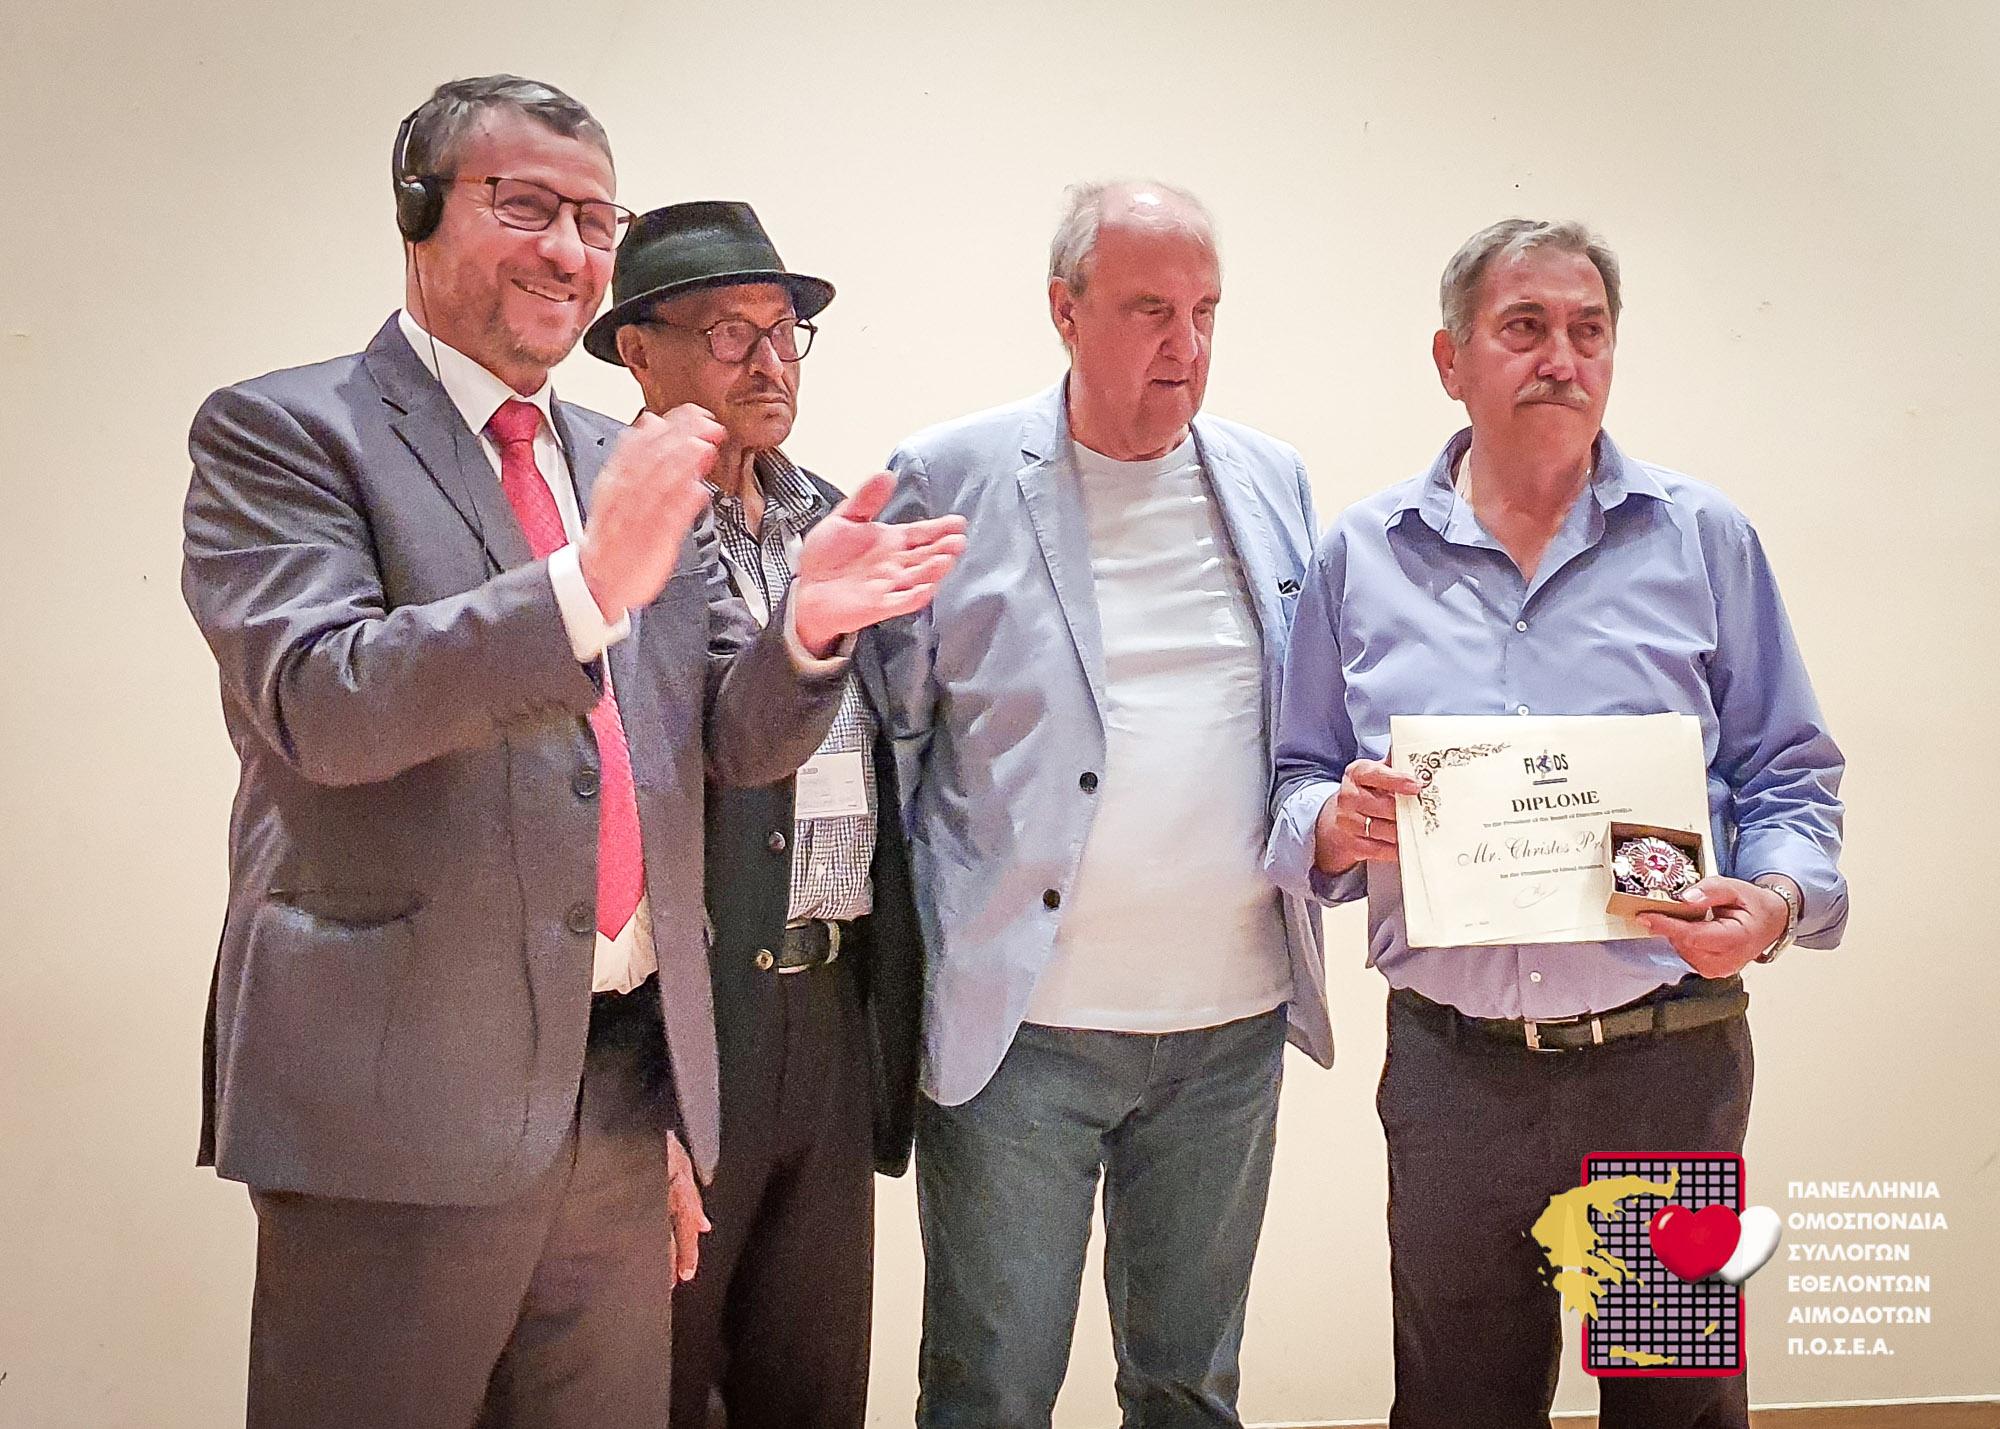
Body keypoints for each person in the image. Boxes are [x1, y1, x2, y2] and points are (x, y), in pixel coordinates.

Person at [180, 75, 964, 1429]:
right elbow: (319, 700)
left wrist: (806, 632)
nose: (566, 248)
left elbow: (724, 742)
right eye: (524, 205)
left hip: (616, 1095)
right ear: (418, 213)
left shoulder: (624, 458)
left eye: (594, 220)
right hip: (393, 1103)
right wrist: (583, 587)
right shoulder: (286, 432)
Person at [1266, 217, 1847, 1429]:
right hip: (1453, 1076)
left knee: (1671, 1407)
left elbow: (1787, 770)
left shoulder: (1701, 539)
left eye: (1588, 331)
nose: (1560, 358)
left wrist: (1775, 901)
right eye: (1523, 327)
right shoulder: (1360, 556)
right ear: (1450, 360)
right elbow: (1293, 778)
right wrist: (1331, 822)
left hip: (1663, 1065)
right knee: (1455, 1406)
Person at [864, 180, 1333, 1429]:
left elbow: (1307, 732)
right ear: (1063, 311)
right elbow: (891, 749)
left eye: (1204, 310)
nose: (1185, 345)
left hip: (1227, 1024)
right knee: (989, 1388)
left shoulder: (1270, 477)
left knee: (1190, 1386)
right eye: (1147, 310)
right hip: (1023, 1032)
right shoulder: (946, 476)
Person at [584, 200, 925, 1429]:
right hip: (688, 1013)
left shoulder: (834, 518)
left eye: (784, 331)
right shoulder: (599, 530)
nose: (769, 361)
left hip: (830, 1004)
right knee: (663, 1375)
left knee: (813, 1378)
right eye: (730, 332)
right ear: (638, 352)